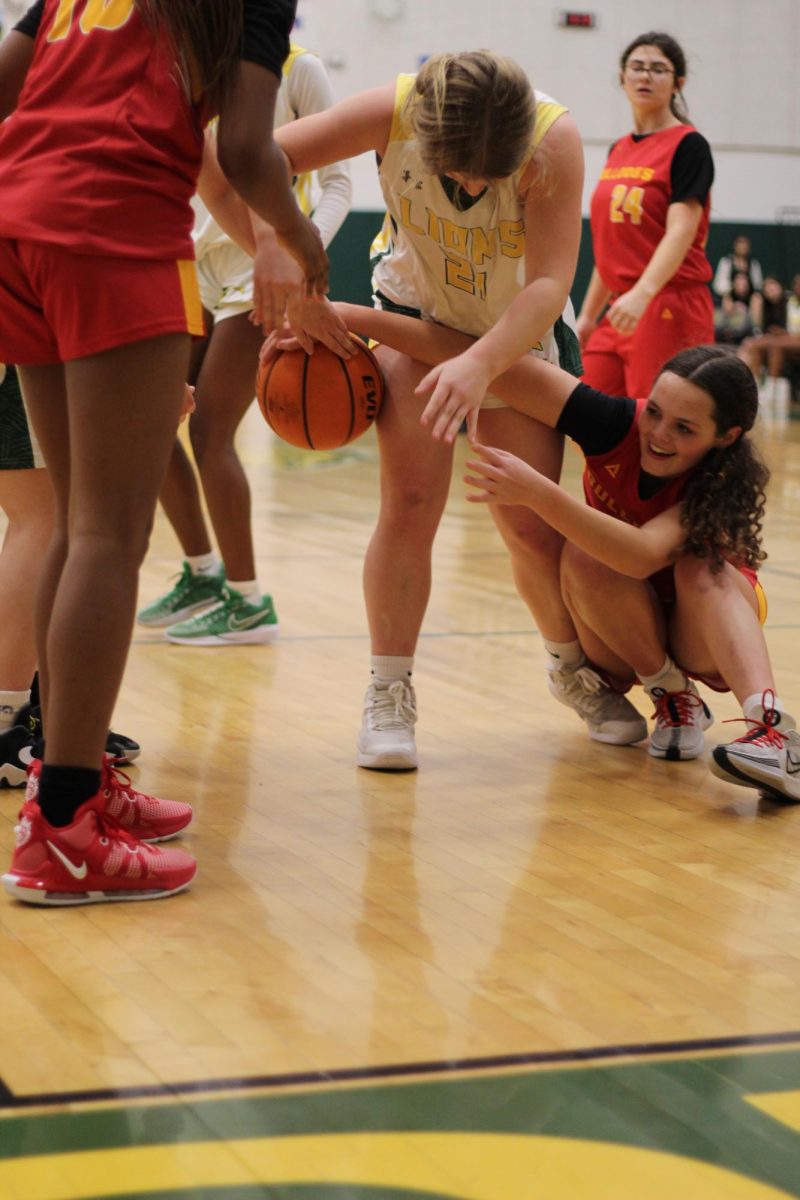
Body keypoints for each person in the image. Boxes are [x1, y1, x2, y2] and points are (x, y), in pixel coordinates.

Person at [0, 0, 327, 906]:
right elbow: (252, 149)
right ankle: (64, 830)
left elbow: (6, 81)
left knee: (76, 516)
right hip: (111, 223)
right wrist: (298, 238)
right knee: (109, 533)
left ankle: (64, 778)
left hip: (16, 219)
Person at [329, 304, 799, 799]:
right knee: (583, 554)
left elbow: (640, 554)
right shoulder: (614, 423)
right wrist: (343, 315)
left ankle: (773, 731)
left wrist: (537, 491)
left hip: (704, 633)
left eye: (684, 429)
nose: (658, 434)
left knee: (701, 568)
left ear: (726, 437)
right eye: (656, 412)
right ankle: (670, 693)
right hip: (623, 633)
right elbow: (472, 354)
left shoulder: (719, 483)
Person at [272, 49, 586, 771]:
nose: (473, 183)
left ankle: (571, 667)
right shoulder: (393, 109)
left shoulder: (554, 140)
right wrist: (286, 253)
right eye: (458, 174)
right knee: (409, 503)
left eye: (487, 175)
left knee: (530, 528)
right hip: (415, 314)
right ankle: (388, 691)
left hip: (516, 334)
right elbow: (259, 159)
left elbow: (547, 282)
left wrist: (481, 361)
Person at [138, 43, 352, 646]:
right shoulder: (191, 62)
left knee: (209, 433)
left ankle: (249, 599)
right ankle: (204, 574)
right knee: (152, 421)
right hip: (197, 258)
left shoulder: (298, 67)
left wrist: (300, 252)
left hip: (260, 264)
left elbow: (337, 180)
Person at [576, 31, 715, 398]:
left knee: (659, 424)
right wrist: (588, 315)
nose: (645, 76)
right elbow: (611, 247)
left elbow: (681, 230)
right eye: (636, 67)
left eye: (658, 69)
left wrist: (643, 293)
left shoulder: (689, 145)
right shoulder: (618, 149)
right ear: (622, 78)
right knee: (591, 415)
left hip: (668, 302)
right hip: (620, 305)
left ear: (677, 83)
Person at [713, 234, 764, 326]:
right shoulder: (726, 261)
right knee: (726, 300)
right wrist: (732, 291)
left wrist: (745, 289)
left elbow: (758, 285)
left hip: (748, 297)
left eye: (745, 244)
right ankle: (727, 330)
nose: (743, 246)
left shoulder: (754, 264)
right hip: (729, 296)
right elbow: (719, 285)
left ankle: (755, 329)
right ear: (735, 246)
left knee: (757, 299)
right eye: (740, 243)